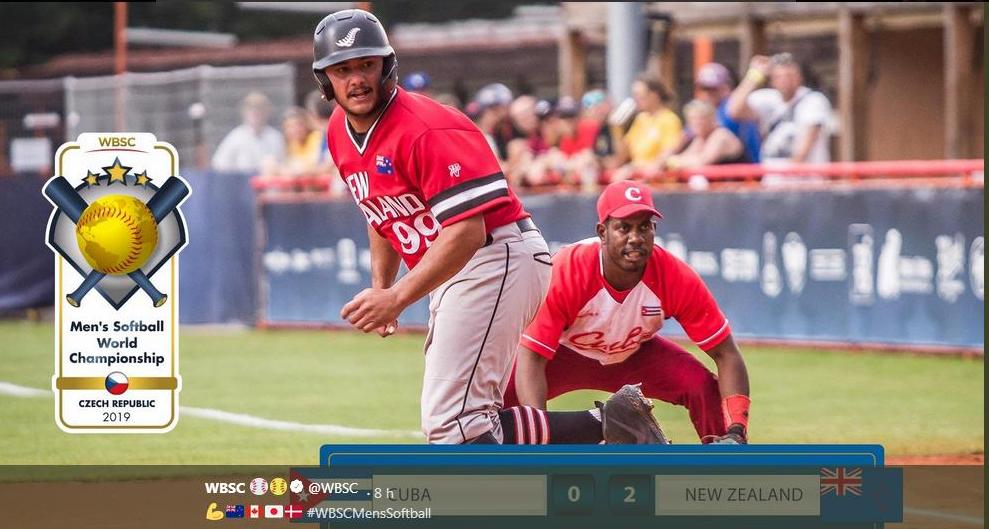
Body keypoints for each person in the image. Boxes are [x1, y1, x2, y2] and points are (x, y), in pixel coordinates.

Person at [313, 9, 667, 445]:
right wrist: (383, 288)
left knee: (454, 426)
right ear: (324, 79)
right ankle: (614, 426)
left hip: (493, 255)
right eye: (342, 69)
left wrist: (398, 296)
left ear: (386, 65)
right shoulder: (338, 132)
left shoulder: (424, 128)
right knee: (467, 422)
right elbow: (379, 211)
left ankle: (590, 447)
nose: (357, 79)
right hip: (463, 266)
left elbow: (468, 230)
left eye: (366, 64)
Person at [505, 180, 752, 444]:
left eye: (644, 227)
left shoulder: (674, 275)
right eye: (624, 227)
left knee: (701, 386)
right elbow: (532, 359)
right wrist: (540, 440)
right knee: (490, 405)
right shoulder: (568, 270)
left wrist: (737, 429)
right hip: (565, 354)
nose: (635, 238)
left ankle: (724, 464)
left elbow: (726, 354)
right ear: (602, 232)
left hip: (634, 353)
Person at [727, 53, 832, 165]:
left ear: (799, 77)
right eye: (779, 77)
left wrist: (790, 171)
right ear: (772, 80)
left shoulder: (813, 100)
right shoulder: (767, 98)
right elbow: (734, 110)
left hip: (803, 177)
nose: (785, 81)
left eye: (789, 76)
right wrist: (754, 75)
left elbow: (807, 143)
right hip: (772, 176)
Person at [608, 74, 684, 181]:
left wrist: (634, 168)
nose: (636, 100)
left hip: (659, 183)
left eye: (640, 95)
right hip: (639, 179)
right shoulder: (641, 119)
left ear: (654, 95)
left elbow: (667, 154)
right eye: (634, 95)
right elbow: (623, 155)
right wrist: (616, 130)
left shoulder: (669, 120)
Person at [694, 62, 762, 163]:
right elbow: (690, 139)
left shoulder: (730, 107)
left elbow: (736, 108)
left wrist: (756, 74)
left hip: (747, 172)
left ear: (726, 87)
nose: (708, 93)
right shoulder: (707, 111)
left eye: (713, 88)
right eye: (704, 88)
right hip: (721, 171)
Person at [211, 91, 285, 174]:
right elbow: (218, 165)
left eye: (260, 108)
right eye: (251, 108)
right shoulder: (235, 137)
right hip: (241, 183)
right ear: (244, 112)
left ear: (267, 111)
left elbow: (284, 164)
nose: (256, 112)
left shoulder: (275, 137)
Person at [663, 99, 745, 170]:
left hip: (744, 185)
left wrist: (673, 161)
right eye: (692, 119)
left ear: (711, 119)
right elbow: (686, 156)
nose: (695, 123)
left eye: (700, 119)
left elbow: (702, 161)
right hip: (720, 186)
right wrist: (671, 160)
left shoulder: (720, 135)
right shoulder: (700, 138)